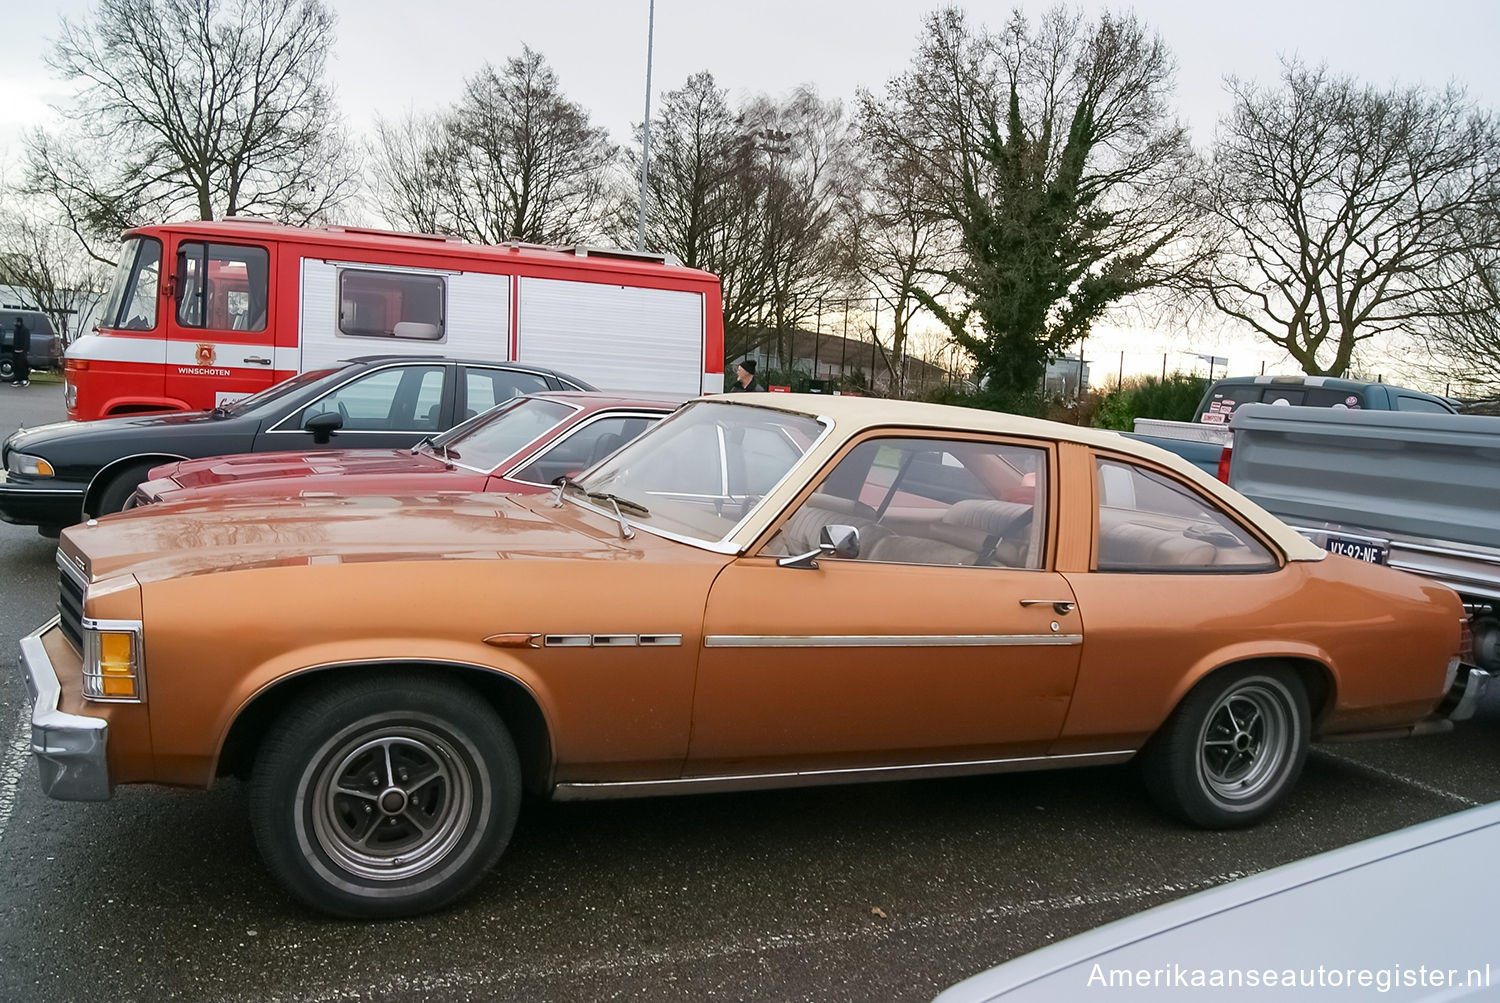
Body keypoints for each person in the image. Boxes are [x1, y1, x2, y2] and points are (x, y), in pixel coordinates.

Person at [9, 317, 29, 387]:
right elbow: (14, 341)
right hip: (15, 351)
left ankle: (25, 379)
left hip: (22, 351)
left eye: (16, 322)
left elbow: (27, 341)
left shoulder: (25, 330)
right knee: (16, 366)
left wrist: (25, 350)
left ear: (20, 322)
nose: (15, 323)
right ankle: (17, 379)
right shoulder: (16, 330)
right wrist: (13, 349)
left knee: (22, 366)